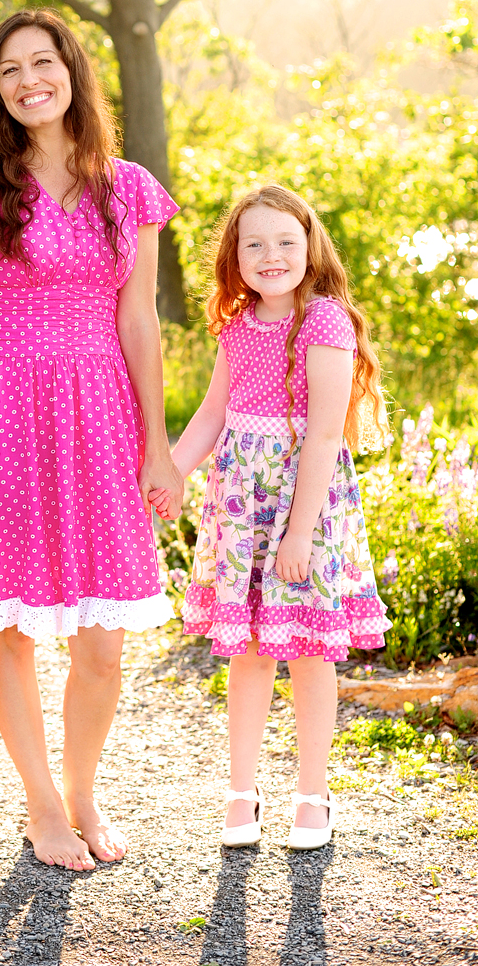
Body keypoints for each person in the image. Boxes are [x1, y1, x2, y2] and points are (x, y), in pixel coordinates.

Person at [0, 8, 183, 871]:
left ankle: (82, 789)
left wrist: (158, 443)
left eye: (44, 62)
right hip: (6, 407)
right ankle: (41, 802)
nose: (30, 79)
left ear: (73, 69)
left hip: (104, 415)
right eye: (11, 70)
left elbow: (140, 321)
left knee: (102, 642)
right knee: (13, 625)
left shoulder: (132, 187)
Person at [160, 185, 390, 850]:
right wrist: (171, 472)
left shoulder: (324, 321)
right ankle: (241, 789)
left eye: (286, 241)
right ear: (235, 253)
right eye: (254, 243)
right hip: (240, 508)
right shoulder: (236, 323)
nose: (271, 255)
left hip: (303, 506)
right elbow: (213, 414)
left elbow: (322, 436)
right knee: (251, 653)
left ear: (310, 246)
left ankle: (312, 793)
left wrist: (297, 530)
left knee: (310, 652)